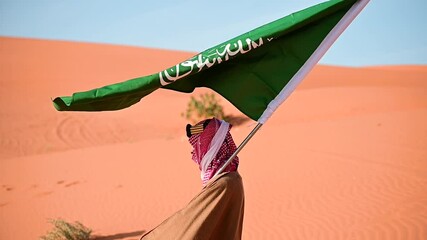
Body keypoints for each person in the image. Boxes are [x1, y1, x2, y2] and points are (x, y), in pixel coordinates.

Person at [140, 118, 245, 240]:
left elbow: (192, 223)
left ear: (211, 146)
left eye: (199, 145)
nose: (194, 152)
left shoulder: (224, 183)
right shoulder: (230, 176)